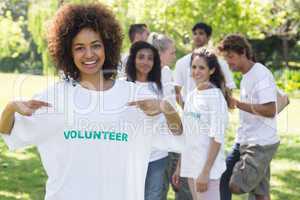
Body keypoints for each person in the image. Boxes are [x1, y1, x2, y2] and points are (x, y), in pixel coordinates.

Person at [0, 3, 182, 200]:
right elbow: (7, 132)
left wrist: (166, 108)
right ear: (67, 52)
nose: (89, 54)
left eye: (96, 45)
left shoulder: (136, 97)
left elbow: (179, 135)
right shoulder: (54, 98)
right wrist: (11, 107)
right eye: (79, 48)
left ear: (108, 46)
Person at [172, 22, 236, 200]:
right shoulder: (191, 95)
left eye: (201, 68)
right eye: (194, 67)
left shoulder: (215, 98)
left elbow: (217, 138)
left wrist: (205, 172)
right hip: (191, 167)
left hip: (207, 171)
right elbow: (188, 136)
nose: (196, 71)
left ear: (212, 70)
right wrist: (179, 166)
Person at [218, 34, 280, 200]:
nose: (229, 62)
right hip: (245, 140)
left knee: (235, 184)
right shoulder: (247, 76)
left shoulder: (260, 74)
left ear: (243, 52)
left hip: (260, 145)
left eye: (231, 57)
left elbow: (270, 109)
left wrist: (238, 104)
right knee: (259, 193)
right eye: (226, 58)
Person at [125, 41, 183, 200]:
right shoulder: (122, 87)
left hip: (157, 157)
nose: (145, 62)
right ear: (133, 60)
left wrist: (162, 106)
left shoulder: (162, 88)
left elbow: (177, 128)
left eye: (150, 58)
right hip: (129, 158)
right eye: (141, 57)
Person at [147, 32, 179, 200]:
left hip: (161, 149)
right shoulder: (142, 73)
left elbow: (170, 108)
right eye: (172, 52)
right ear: (160, 53)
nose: (174, 56)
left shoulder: (166, 72)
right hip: (142, 148)